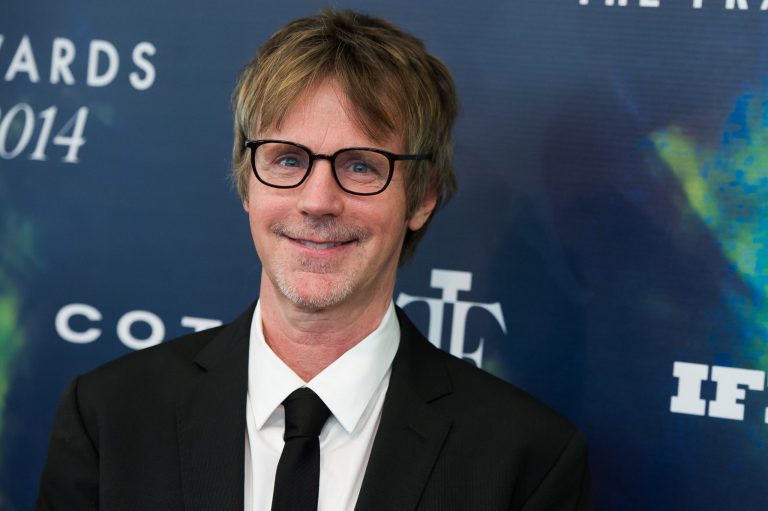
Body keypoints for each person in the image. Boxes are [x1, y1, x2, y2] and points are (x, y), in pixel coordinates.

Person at [37, 9, 590, 511]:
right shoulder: (109, 418)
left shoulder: (527, 459)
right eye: (286, 159)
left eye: (361, 166)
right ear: (247, 183)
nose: (318, 200)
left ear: (421, 199)